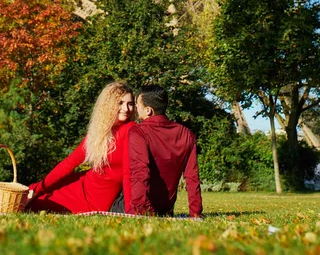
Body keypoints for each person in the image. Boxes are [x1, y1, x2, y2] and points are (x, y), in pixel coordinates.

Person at [26, 81, 135, 213]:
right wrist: (37, 188)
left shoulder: (131, 130)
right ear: (108, 105)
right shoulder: (99, 133)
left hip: (97, 200)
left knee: (39, 205)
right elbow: (69, 163)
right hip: (82, 186)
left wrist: (132, 209)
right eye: (120, 103)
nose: (126, 109)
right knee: (38, 199)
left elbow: (129, 173)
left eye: (130, 104)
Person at [123, 84, 202, 217]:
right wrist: (196, 214)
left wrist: (139, 211)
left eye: (137, 104)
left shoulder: (138, 132)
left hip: (141, 207)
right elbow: (192, 177)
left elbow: (140, 172)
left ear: (148, 110)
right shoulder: (186, 133)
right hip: (165, 210)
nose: (135, 108)